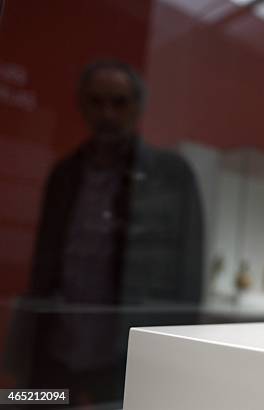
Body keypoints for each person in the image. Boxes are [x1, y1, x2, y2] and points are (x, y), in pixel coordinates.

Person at [21, 60, 204, 406]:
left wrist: (177, 357)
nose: (107, 113)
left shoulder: (171, 174)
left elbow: (188, 273)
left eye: (119, 102)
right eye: (96, 101)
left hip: (127, 351)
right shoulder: (64, 174)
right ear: (82, 105)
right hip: (60, 346)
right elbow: (44, 264)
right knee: (38, 402)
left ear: (137, 107)